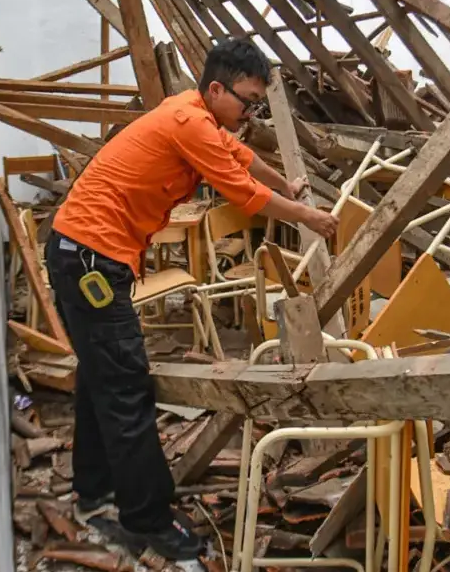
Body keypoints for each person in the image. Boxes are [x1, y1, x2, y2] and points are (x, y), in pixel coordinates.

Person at [46, 37, 338, 559]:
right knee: (127, 384)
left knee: (101, 378)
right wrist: (311, 218)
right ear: (217, 88)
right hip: (90, 257)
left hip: (83, 252)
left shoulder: (195, 113)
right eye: (246, 100)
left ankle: (94, 494)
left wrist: (291, 189)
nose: (250, 111)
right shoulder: (190, 124)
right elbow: (241, 191)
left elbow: (245, 161)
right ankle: (146, 520)